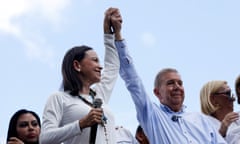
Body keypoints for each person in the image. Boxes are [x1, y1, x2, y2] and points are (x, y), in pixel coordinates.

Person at [114, 10, 226, 143]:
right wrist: (118, 35)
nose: (177, 87)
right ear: (157, 92)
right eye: (171, 83)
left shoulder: (200, 120)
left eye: (180, 83)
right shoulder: (153, 116)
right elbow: (133, 81)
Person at [39, 8, 123, 144]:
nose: (100, 66)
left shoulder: (98, 95)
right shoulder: (59, 98)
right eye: (94, 60)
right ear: (77, 65)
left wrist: (110, 33)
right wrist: (81, 124)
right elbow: (45, 138)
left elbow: (112, 66)